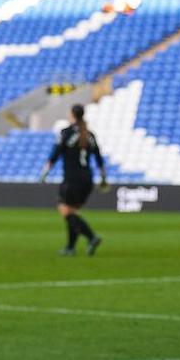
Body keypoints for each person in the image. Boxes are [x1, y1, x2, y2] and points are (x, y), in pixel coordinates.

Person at [41, 104, 107, 256]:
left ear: (72, 115)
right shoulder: (90, 134)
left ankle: (91, 237)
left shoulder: (66, 133)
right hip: (87, 179)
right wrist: (103, 178)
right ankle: (70, 248)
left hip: (72, 179)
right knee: (73, 213)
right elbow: (99, 158)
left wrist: (44, 173)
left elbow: (55, 154)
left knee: (65, 210)